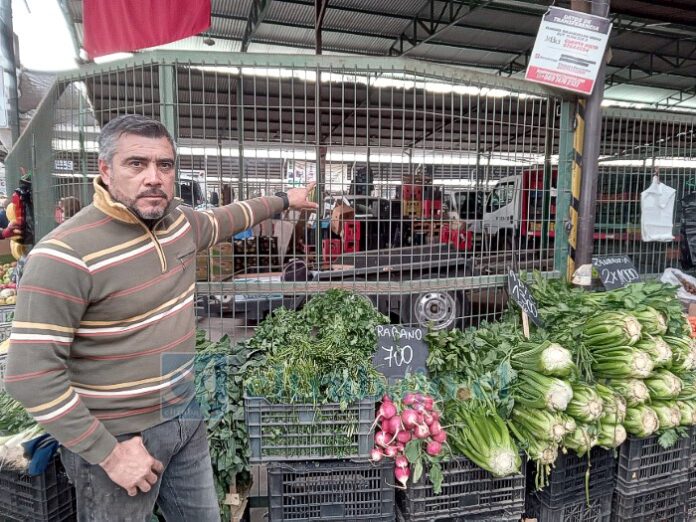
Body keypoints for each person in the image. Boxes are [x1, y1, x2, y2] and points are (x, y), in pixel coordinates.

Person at [3, 114, 318, 521]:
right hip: (119, 438)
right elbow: (30, 376)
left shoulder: (180, 225)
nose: (153, 177)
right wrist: (110, 454)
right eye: (136, 164)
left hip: (184, 415)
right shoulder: (64, 255)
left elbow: (230, 217)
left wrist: (284, 199)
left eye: (164, 165)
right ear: (106, 170)